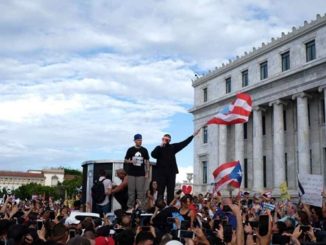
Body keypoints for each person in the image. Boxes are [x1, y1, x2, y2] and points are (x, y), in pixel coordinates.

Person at [151, 129, 200, 204]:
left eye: (167, 139)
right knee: (160, 191)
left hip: (171, 173)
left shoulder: (173, 147)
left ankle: (169, 208)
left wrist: (193, 135)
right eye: (164, 139)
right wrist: (160, 146)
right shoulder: (159, 148)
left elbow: (184, 143)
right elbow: (153, 155)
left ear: (169, 140)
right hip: (161, 174)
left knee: (170, 192)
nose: (165, 140)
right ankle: (159, 208)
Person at [124, 134, 150, 212]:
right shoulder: (130, 149)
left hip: (141, 173)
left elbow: (147, 161)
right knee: (131, 191)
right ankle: (130, 207)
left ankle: (141, 208)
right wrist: (131, 161)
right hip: (131, 173)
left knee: (140, 192)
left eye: (141, 140)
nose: (140, 141)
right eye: (138, 140)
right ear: (135, 141)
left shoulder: (144, 150)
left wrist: (147, 172)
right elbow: (125, 160)